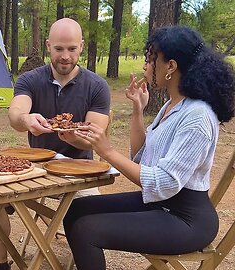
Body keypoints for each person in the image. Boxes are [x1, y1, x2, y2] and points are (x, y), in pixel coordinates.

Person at [63, 25, 235, 270]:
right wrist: (137, 110)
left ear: (171, 67)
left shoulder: (197, 116)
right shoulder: (172, 107)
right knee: (76, 208)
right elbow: (143, 159)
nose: (145, 66)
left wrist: (107, 151)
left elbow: (164, 182)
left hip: (186, 219)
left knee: (86, 229)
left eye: (151, 59)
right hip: (159, 202)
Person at [0, 18, 111, 270]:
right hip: (33, 167)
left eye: (71, 49)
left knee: (93, 214)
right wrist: (26, 119)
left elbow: (96, 133)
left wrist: (76, 136)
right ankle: (0, 263)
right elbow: (15, 115)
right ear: (48, 45)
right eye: (59, 49)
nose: (65, 56)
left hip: (80, 170)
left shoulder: (97, 86)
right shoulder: (30, 79)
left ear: (81, 47)